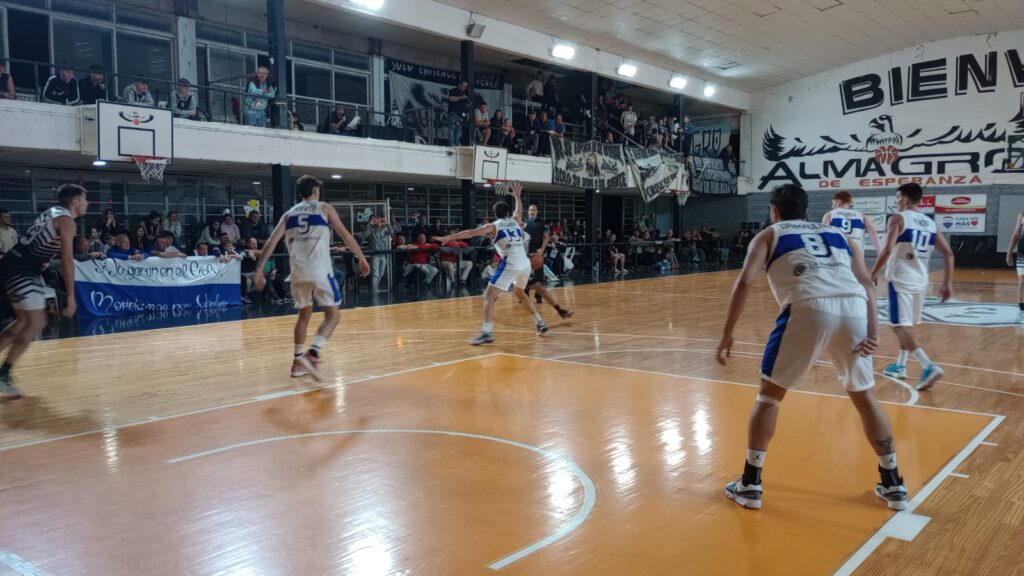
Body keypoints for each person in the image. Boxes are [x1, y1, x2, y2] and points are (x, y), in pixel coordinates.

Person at [716, 183, 907, 511]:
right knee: (865, 399)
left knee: (769, 397)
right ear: (807, 210)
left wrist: (727, 333)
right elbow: (866, 283)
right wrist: (874, 329)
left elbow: (745, 281)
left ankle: (750, 484)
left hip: (809, 307)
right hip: (855, 310)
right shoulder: (840, 236)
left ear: (774, 211)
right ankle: (893, 483)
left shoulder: (769, 234)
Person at [253, 175, 369, 382]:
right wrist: (361, 257)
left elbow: (271, 242)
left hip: (297, 273)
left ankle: (297, 362)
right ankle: (312, 353)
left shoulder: (288, 214)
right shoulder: (325, 208)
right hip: (319, 270)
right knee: (333, 316)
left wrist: (259, 270)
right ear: (315, 191)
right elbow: (346, 236)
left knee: (304, 316)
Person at [0, 184, 88, 399]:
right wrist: (71, 296)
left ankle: (3, 373)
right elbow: (67, 260)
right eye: (85, 200)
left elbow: (38, 242)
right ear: (75, 202)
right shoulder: (67, 222)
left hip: (18, 265)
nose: (87, 204)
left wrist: (41, 259)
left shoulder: (51, 212)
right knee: (35, 322)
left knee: (23, 322)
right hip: (20, 270)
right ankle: (3, 374)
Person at [433, 183, 548, 344]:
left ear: (494, 214)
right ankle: (540, 322)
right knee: (520, 294)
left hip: (511, 263)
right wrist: (517, 196)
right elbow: (519, 210)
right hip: (525, 264)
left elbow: (471, 232)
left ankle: (487, 332)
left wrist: (449, 237)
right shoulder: (515, 221)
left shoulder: (493, 226)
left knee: (488, 296)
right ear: (507, 213)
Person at [870, 183, 954, 390]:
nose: (897, 201)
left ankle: (927, 365)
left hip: (900, 279)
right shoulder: (930, 223)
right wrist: (947, 283)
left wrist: (873, 273)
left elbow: (887, 249)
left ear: (905, 199)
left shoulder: (898, 218)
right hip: (921, 280)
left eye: (898, 198)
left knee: (898, 326)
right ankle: (900, 366)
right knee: (905, 325)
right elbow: (948, 253)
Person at [523, 203, 572, 319]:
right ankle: (525, 294)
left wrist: (542, 250)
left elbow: (546, 237)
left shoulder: (541, 222)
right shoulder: (524, 223)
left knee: (539, 275)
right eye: (530, 210)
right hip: (526, 253)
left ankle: (538, 296)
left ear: (537, 212)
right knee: (526, 275)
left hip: (538, 252)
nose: (532, 211)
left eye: (534, 210)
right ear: (528, 212)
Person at [1006, 207, 1024, 323]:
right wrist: (1009, 253)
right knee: (1022, 282)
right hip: (1022, 254)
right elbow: (1016, 234)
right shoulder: (1022, 214)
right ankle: (1021, 311)